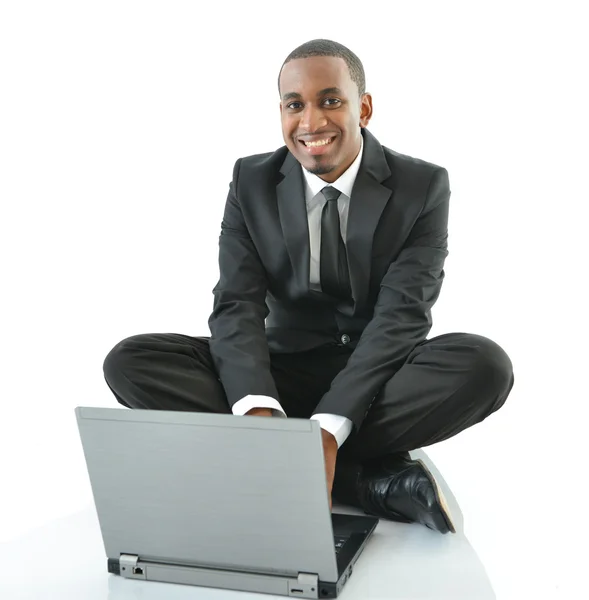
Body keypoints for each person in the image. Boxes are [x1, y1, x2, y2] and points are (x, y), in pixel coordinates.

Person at [103, 39, 514, 535]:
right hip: (282, 370)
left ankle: (307, 454)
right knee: (132, 362)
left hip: (376, 374)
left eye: (330, 100)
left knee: (484, 366)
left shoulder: (422, 185)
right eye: (294, 104)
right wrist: (256, 407)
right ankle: (362, 478)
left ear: (363, 107)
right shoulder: (251, 179)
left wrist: (331, 424)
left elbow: (401, 316)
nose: (311, 122)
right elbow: (236, 303)